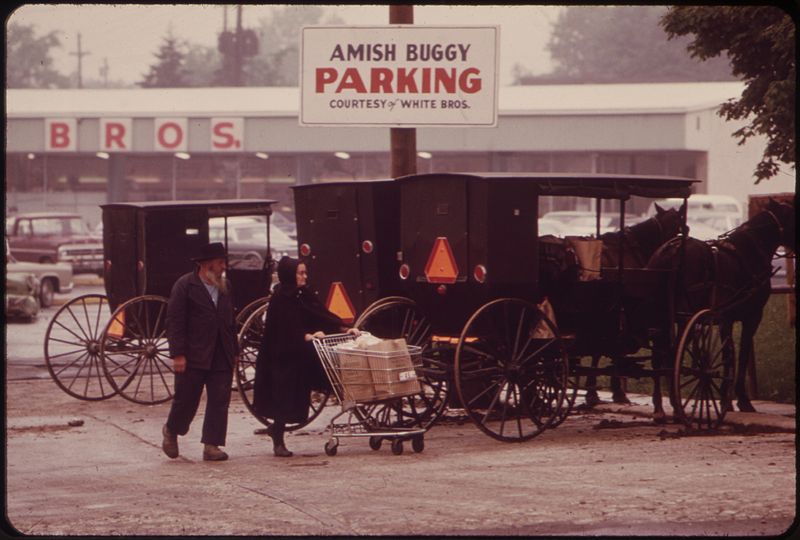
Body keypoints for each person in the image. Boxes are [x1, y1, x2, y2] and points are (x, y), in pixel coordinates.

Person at [252, 256, 358, 457]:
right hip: (281, 355)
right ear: (290, 275)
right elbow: (283, 328)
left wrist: (343, 328)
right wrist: (306, 335)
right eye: (300, 273)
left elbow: (319, 315)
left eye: (305, 272)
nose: (304, 276)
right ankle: (278, 437)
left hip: (300, 352)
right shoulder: (280, 298)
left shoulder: (302, 294)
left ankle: (278, 431)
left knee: (298, 390)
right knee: (283, 395)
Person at [161, 242, 239, 461]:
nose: (224, 266)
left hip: (221, 352)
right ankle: (171, 430)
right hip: (194, 354)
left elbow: (230, 321)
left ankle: (211, 445)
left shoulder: (226, 286)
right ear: (206, 265)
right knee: (186, 399)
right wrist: (178, 354)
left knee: (219, 400)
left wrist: (235, 350)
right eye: (220, 262)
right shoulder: (185, 286)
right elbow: (174, 322)